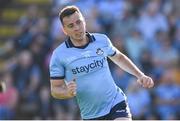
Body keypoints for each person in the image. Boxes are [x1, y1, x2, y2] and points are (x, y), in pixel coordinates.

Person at [49, 5, 154, 120]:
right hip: (91, 114)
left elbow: (119, 58)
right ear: (64, 30)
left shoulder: (101, 40)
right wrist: (67, 93)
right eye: (71, 26)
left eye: (79, 22)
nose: (77, 28)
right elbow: (55, 89)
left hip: (115, 102)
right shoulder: (59, 55)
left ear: (84, 21)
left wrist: (140, 75)